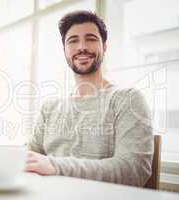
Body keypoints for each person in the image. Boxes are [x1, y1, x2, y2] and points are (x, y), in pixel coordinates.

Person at [24, 10, 153, 187]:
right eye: (73, 41)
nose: (81, 47)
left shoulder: (128, 99)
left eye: (91, 39)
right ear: (65, 50)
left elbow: (133, 170)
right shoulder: (49, 107)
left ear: (104, 47)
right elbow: (30, 155)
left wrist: (55, 165)